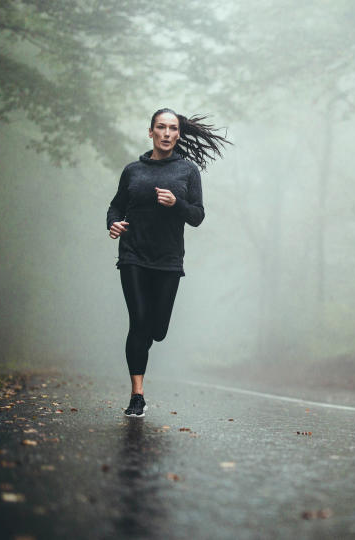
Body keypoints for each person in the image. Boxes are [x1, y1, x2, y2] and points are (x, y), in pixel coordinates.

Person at [106, 108, 229, 417]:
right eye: (160, 127)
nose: (166, 133)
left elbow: (198, 216)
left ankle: (144, 351)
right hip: (133, 254)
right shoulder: (133, 170)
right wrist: (113, 224)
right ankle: (137, 394)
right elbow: (116, 206)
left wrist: (177, 204)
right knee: (138, 320)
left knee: (157, 330)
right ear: (151, 132)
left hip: (168, 259)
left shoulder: (187, 172)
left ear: (178, 134)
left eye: (172, 128)